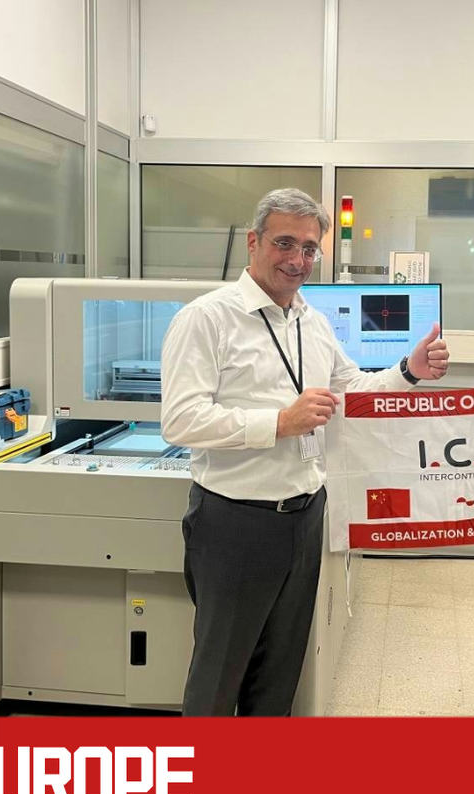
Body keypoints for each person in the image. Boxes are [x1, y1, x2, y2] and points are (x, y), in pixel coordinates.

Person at [161, 188, 449, 716]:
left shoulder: (311, 322)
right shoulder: (206, 318)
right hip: (235, 522)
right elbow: (180, 419)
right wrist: (278, 422)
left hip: (305, 517)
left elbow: (350, 388)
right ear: (253, 242)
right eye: (285, 243)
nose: (297, 259)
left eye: (309, 248)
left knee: (280, 673)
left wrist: (408, 372)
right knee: (219, 675)